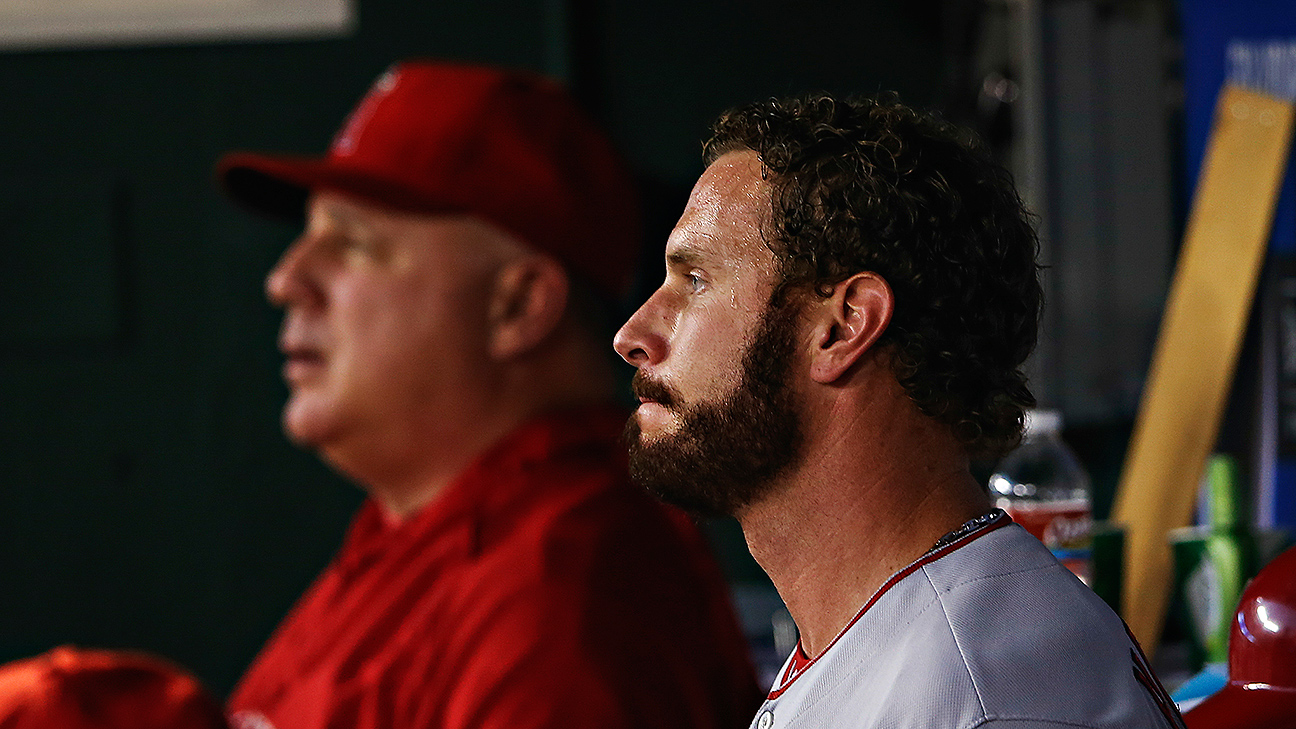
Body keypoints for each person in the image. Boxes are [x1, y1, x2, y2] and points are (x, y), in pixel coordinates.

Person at [215, 60, 760, 729]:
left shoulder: (559, 598)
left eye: (353, 243)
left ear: (519, 305)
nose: (286, 278)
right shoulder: (420, 527)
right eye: (307, 237)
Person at [614, 93, 1187, 729]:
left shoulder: (986, 698)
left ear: (843, 326)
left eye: (694, 282)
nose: (634, 333)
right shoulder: (885, 637)